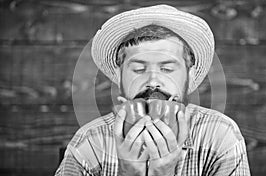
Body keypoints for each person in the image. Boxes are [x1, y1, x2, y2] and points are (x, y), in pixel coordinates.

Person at [55, 5, 251, 176]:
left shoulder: (219, 135)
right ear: (119, 76)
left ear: (189, 76)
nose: (153, 81)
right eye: (139, 70)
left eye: (167, 69)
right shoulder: (89, 143)